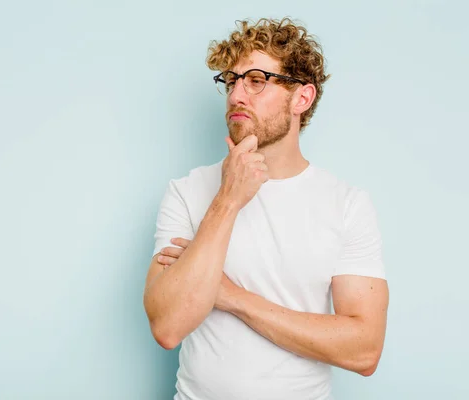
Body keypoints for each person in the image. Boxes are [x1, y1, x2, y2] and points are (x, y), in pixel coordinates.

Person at [142, 17, 389, 400]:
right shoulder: (187, 192)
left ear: (301, 98)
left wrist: (228, 296)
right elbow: (167, 327)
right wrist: (228, 198)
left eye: (256, 80)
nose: (237, 95)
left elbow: (365, 349)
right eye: (231, 80)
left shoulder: (346, 204)